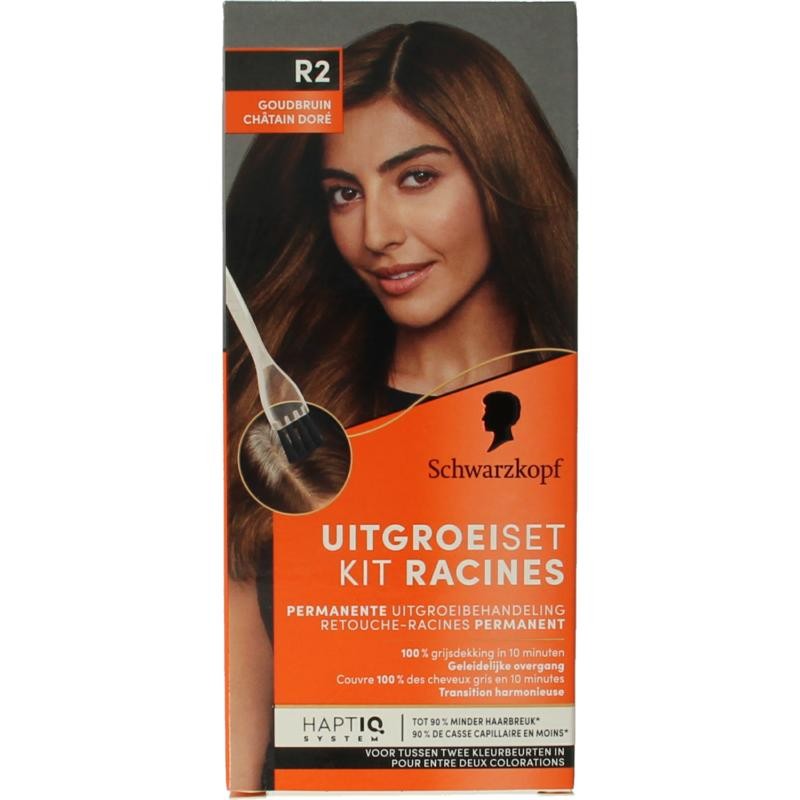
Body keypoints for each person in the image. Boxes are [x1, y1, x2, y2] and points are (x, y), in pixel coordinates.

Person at [225, 21, 576, 790]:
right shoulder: (270, 412)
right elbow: (236, 749)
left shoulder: (581, 407)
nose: (376, 234)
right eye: (344, 194)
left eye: (416, 177)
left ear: (500, 172)